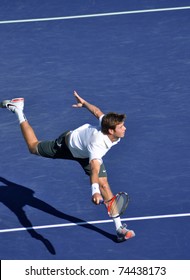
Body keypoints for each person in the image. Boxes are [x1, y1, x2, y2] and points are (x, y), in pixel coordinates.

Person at [0, 91, 135, 242]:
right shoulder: (98, 146)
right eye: (121, 127)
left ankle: (119, 229)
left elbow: (97, 112)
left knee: (105, 184)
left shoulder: (107, 125)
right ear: (111, 131)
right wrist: (94, 192)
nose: (125, 129)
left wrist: (84, 104)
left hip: (85, 153)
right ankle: (18, 110)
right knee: (33, 147)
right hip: (66, 145)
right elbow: (94, 169)